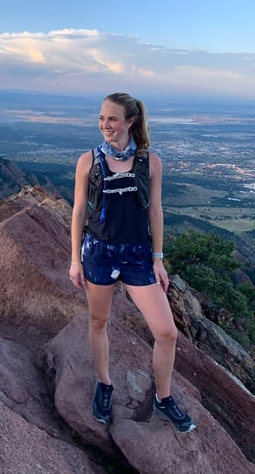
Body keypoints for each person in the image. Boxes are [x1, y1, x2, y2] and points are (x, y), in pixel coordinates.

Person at [69, 92, 196, 434]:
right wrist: (75, 259)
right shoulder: (89, 161)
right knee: (99, 321)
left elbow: (155, 210)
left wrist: (158, 258)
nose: (105, 125)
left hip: (138, 254)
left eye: (112, 119)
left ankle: (163, 398)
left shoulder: (150, 162)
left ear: (130, 121)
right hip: (99, 251)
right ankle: (104, 384)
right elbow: (79, 211)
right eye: (101, 118)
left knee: (167, 333)